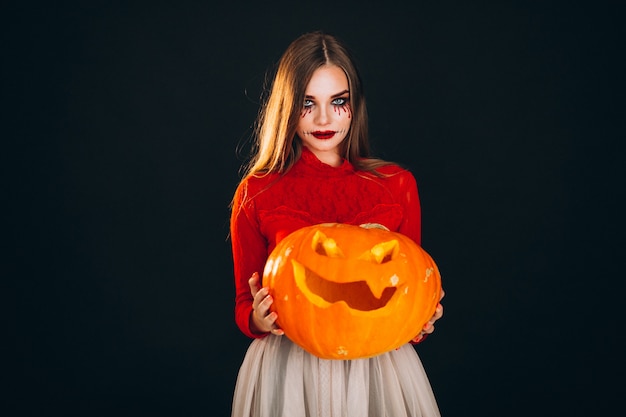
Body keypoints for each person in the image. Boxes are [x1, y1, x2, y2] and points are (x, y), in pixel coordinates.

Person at [229, 30, 445, 417]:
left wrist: (420, 319)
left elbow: (407, 292)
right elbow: (244, 305)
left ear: (355, 105)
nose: (324, 118)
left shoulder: (397, 185)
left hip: (377, 370)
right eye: (307, 103)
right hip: (289, 370)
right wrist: (257, 317)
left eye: (338, 101)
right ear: (286, 107)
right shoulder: (257, 191)